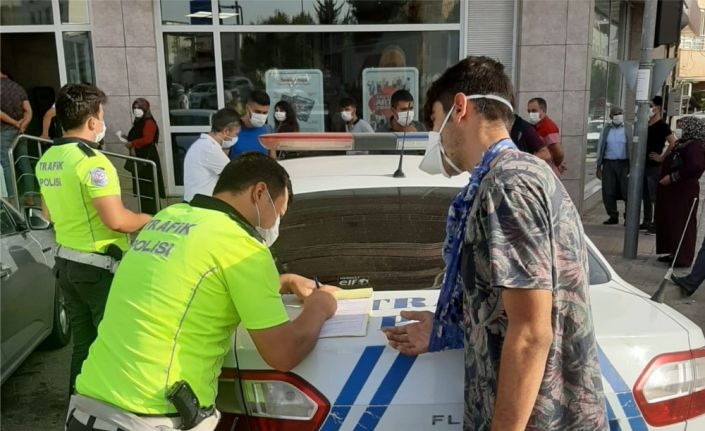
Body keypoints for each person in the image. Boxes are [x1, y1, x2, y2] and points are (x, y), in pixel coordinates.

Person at [384, 56, 607, 430]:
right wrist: (445, 329)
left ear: (460, 108)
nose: (434, 137)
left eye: (434, 123)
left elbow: (532, 331)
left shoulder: (508, 186)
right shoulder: (522, 174)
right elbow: (504, 304)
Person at [66, 153, 337, 431]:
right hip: (149, 417)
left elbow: (185, 277)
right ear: (259, 192)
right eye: (278, 215)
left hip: (87, 407)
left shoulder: (166, 219)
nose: (274, 226)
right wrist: (320, 305)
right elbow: (283, 352)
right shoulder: (243, 246)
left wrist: (283, 280)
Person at [35, 83, 151, 394]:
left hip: (67, 264)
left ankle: (77, 414)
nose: (103, 123)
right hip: (98, 269)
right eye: (102, 116)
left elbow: (48, 214)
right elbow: (117, 221)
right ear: (91, 122)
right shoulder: (93, 162)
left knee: (83, 348)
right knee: (114, 346)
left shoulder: (48, 159)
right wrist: (152, 220)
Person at [655, 116, 705, 267]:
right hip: (674, 193)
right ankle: (674, 252)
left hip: (683, 192)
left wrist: (672, 177)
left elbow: (696, 166)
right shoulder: (684, 143)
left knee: (683, 223)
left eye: (682, 127)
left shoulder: (695, 146)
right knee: (673, 222)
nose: (680, 130)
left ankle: (682, 258)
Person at [116, 98, 165, 215]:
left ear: (145, 109)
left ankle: (151, 214)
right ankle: (146, 214)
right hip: (140, 157)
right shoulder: (139, 122)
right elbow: (138, 136)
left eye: (139, 108)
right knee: (143, 188)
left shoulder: (149, 122)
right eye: (135, 108)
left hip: (147, 158)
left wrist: (132, 143)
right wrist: (127, 138)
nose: (137, 111)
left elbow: (148, 139)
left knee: (149, 188)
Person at [183, 108, 240, 202]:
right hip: (201, 206)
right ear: (226, 131)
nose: (235, 138)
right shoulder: (210, 149)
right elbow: (235, 175)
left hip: (196, 202)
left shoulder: (202, 144)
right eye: (235, 134)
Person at [643, 95, 677, 233]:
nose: (649, 109)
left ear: (657, 108)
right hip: (643, 165)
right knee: (645, 195)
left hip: (654, 166)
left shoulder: (662, 126)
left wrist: (662, 158)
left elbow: (673, 142)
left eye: (650, 106)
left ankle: (657, 224)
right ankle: (647, 221)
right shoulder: (646, 124)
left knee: (654, 196)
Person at [595, 106, 632, 225]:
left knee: (627, 191)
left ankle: (628, 217)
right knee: (608, 191)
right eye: (615, 114)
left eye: (620, 113)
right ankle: (613, 215)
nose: (618, 116)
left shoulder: (629, 128)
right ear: (611, 116)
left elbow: (633, 146)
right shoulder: (606, 129)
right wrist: (598, 166)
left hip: (624, 163)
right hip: (608, 163)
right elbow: (600, 146)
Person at [0, 71, 33, 200]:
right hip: (20, 133)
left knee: (6, 165)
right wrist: (23, 125)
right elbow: (28, 110)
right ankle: (30, 197)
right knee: (24, 162)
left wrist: (14, 123)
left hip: (4, 132)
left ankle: (12, 199)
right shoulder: (17, 87)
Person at [228, 90, 275, 159]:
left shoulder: (268, 131)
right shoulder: (232, 129)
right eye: (258, 112)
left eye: (265, 113)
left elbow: (273, 160)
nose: (261, 115)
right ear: (247, 108)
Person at [527, 97, 564, 175]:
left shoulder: (548, 128)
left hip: (548, 172)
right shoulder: (535, 125)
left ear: (543, 111)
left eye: (534, 111)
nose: (531, 114)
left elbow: (559, 153)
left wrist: (556, 165)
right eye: (529, 111)